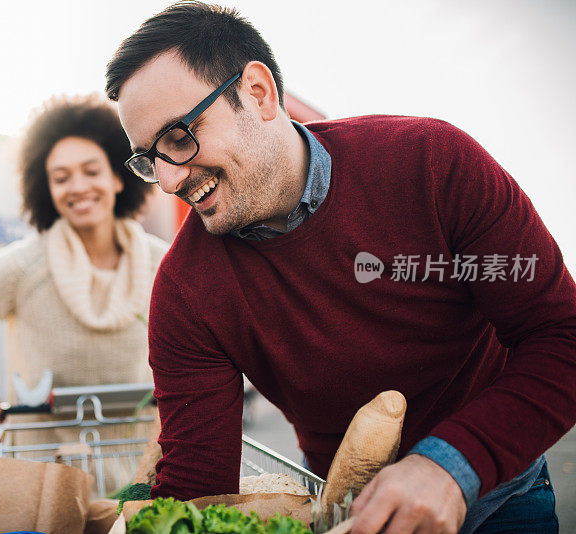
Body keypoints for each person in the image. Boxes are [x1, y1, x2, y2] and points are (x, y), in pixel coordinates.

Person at [104, 2, 576, 532]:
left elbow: (561, 335)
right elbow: (196, 482)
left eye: (178, 137)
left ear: (257, 93)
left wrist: (448, 468)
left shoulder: (432, 164)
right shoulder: (186, 292)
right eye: (150, 159)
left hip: (501, 491)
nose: (168, 181)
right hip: (346, 511)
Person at [0, 95, 169, 476]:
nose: (77, 187)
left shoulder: (160, 263)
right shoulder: (23, 265)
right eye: (61, 178)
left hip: (139, 476)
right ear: (47, 189)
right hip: (42, 479)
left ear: (117, 176)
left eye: (91, 171)